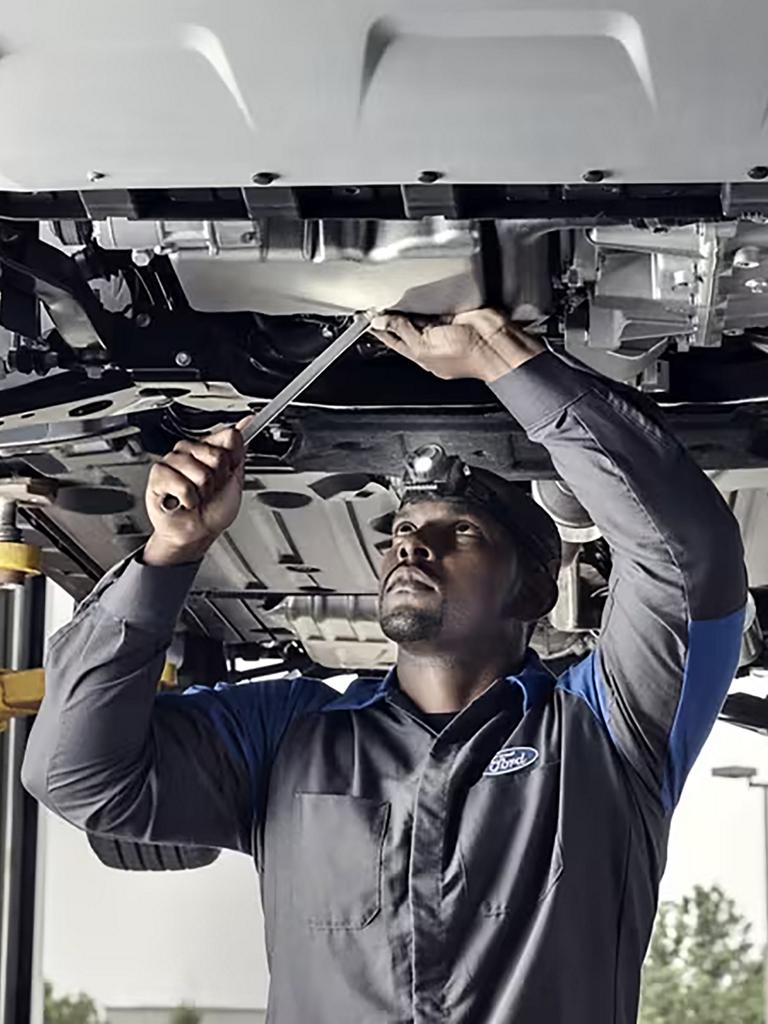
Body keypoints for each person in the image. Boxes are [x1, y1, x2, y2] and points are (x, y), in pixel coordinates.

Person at [21, 308, 747, 1024]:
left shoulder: (606, 733)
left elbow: (688, 560)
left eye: (457, 531)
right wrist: (168, 553)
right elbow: (74, 775)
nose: (411, 546)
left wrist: (512, 368)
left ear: (531, 588)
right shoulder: (286, 736)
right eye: (402, 530)